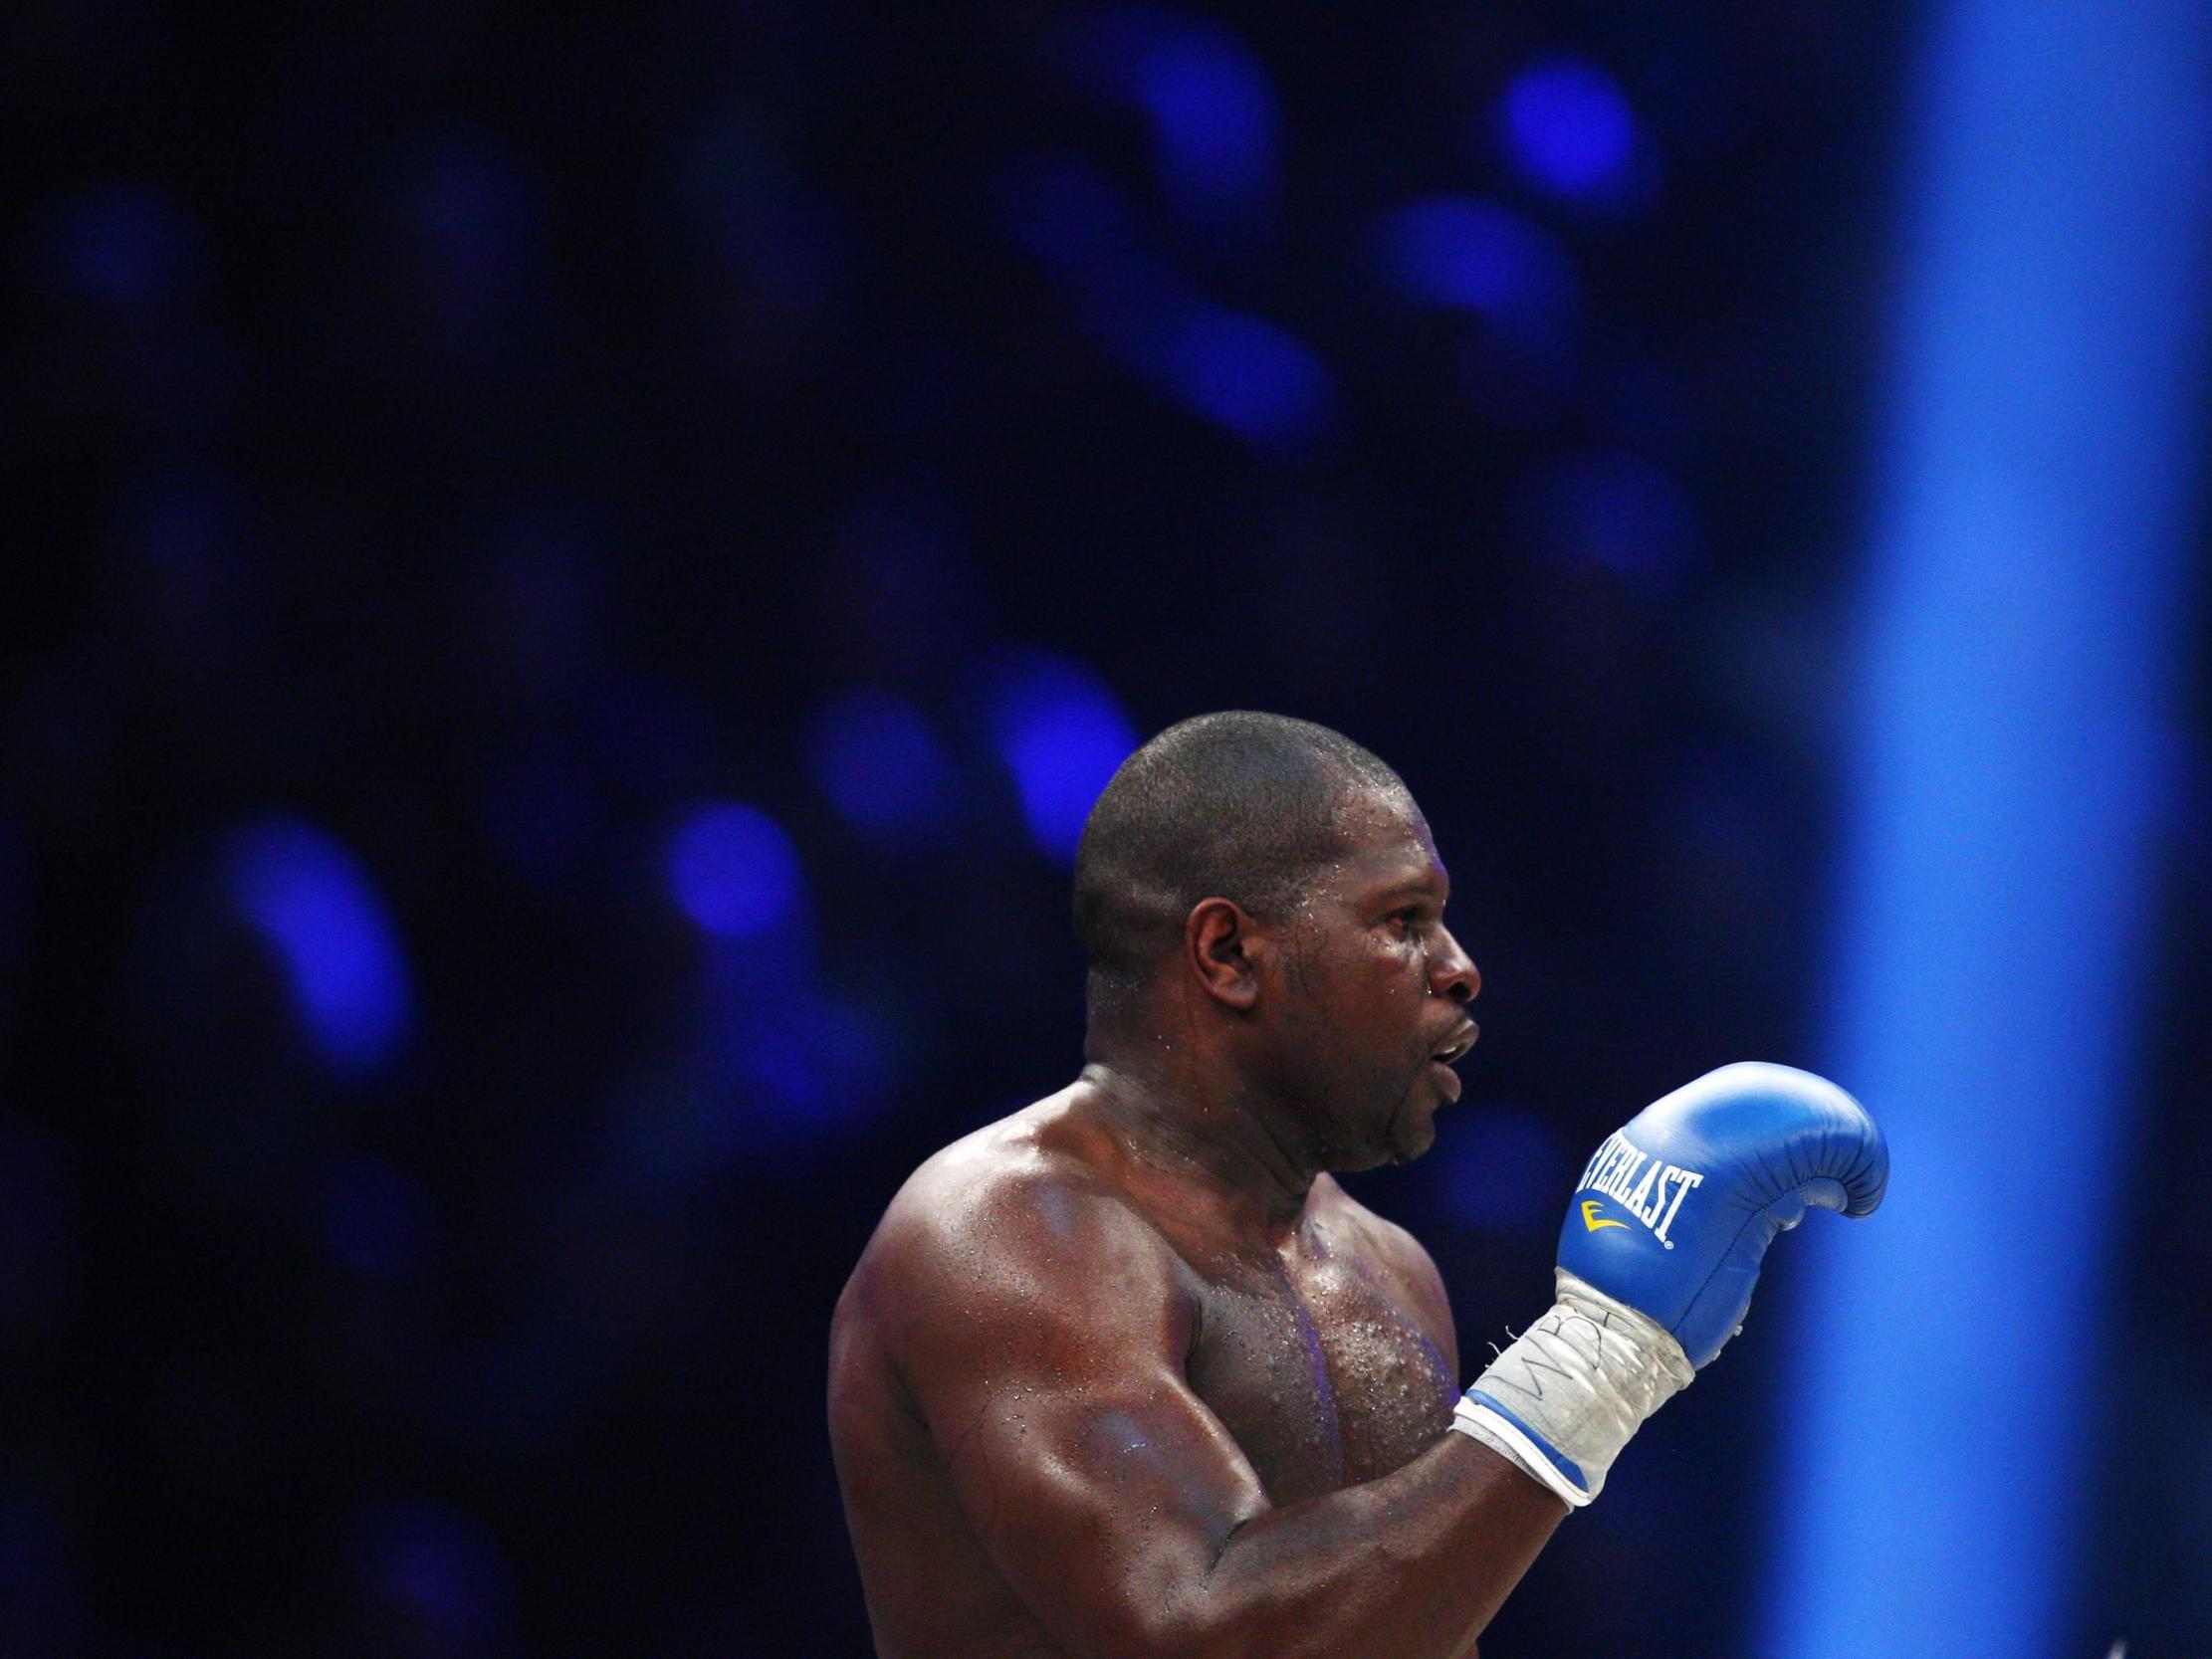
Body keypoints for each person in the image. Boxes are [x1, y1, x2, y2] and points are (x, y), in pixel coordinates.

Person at [828, 712, 1886, 1659]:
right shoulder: (1007, 1232)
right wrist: (1594, 1362)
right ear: (1229, 951)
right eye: (1400, 920)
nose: (1459, 965)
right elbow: (1194, 1634)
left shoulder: (1385, 1269)